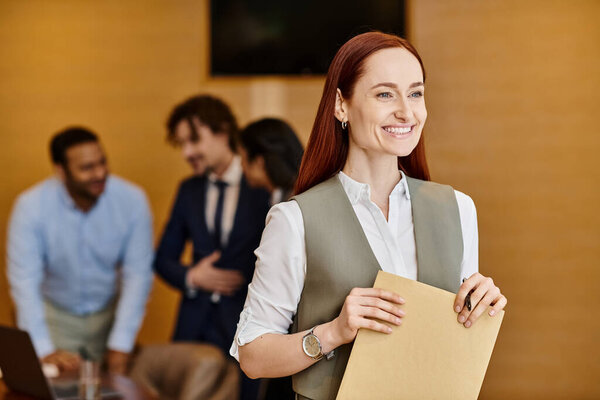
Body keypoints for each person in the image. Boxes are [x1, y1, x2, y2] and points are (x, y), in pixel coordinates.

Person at [231, 32, 508, 400]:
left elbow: (456, 333)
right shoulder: (294, 220)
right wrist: (333, 332)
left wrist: (481, 303)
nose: (407, 112)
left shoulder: (457, 208)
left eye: (415, 93)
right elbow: (252, 356)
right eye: (384, 94)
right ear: (341, 106)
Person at [7, 127, 154, 374]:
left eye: (102, 162)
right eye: (87, 168)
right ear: (60, 171)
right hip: (55, 317)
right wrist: (43, 350)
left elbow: (138, 276)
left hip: (109, 316)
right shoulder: (30, 207)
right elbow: (24, 283)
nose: (99, 173)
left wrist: (120, 344)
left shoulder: (132, 200)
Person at [154, 95, 270, 400]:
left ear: (222, 130)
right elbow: (163, 258)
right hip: (194, 327)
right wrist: (193, 277)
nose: (187, 152)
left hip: (247, 327)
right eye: (182, 144)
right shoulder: (187, 190)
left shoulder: (261, 186)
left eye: (194, 140)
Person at [238, 118, 303, 400]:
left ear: (260, 161)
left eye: (243, 159)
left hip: (296, 338)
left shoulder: (298, 204)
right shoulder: (275, 197)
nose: (241, 168)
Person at [239, 117, 304, 206]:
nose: (241, 165)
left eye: (243, 158)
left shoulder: (293, 202)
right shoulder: (284, 195)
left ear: (260, 162)